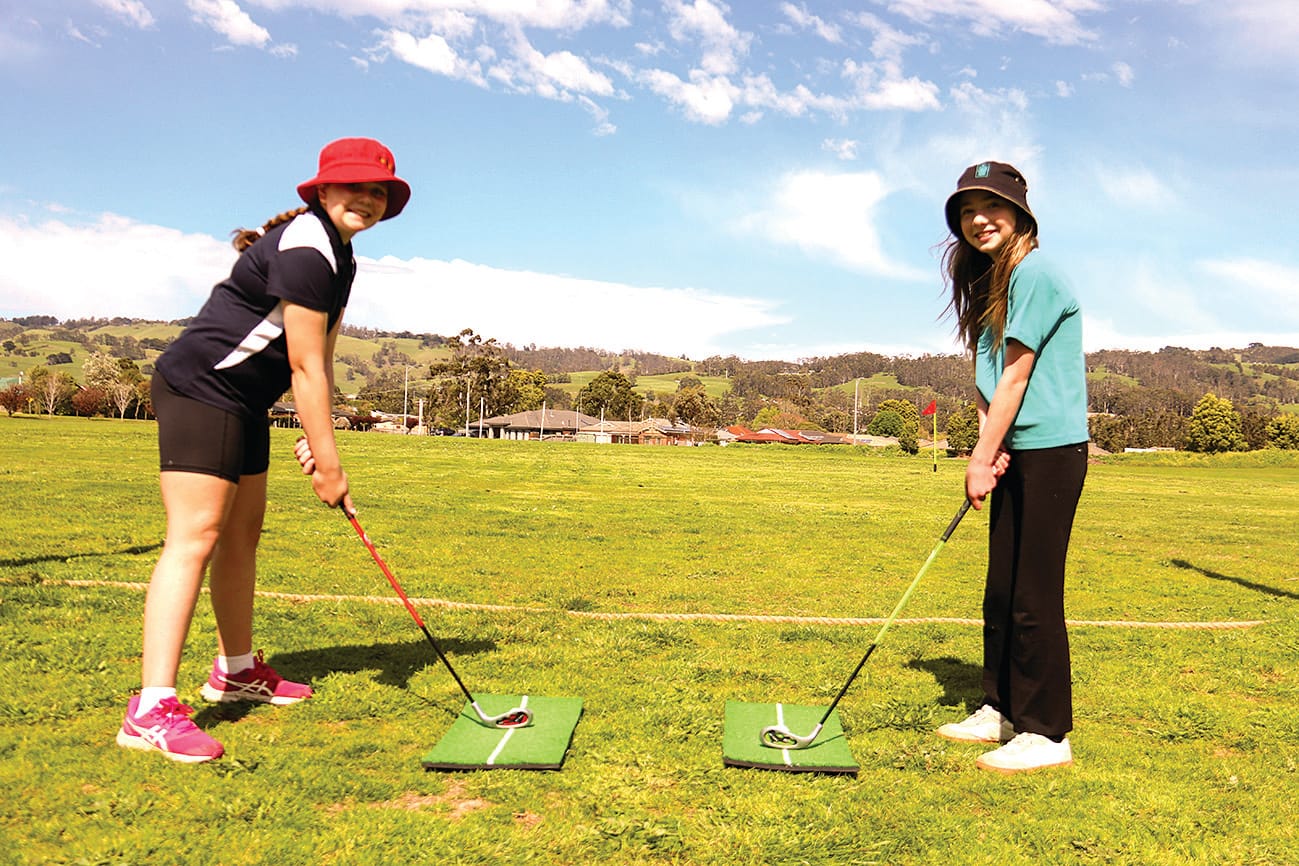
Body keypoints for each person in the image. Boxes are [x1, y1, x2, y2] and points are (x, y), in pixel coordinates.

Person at [117, 138, 411, 762]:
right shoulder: (308, 248)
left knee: (242, 535)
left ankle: (236, 670)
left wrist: (317, 437)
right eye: (355, 185)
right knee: (194, 535)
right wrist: (330, 465)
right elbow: (303, 365)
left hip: (244, 401)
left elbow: (319, 360)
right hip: (202, 387)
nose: (368, 198)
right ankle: (150, 708)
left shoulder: (340, 256)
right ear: (322, 190)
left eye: (379, 191)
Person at [932, 161, 1089, 774]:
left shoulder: (1038, 272)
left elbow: (1019, 376)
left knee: (1033, 594)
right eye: (967, 211)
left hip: (1051, 451)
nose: (978, 220)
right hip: (1017, 449)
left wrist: (978, 458)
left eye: (991, 207)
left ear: (1021, 215)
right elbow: (988, 380)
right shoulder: (991, 285)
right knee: (1001, 592)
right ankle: (1001, 707)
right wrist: (989, 445)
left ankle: (1047, 733)